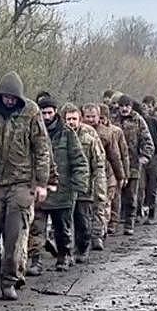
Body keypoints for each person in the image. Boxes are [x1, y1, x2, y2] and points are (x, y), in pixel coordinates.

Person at [0, 72, 51, 300]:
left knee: (15, 235)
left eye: (13, 97)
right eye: (5, 97)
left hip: (21, 181)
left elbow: (42, 148)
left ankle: (9, 280)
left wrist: (42, 182)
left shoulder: (31, 111)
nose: (9, 101)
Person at [27, 97, 89, 274]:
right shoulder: (33, 130)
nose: (46, 116)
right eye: (43, 112)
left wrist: (78, 184)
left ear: (55, 112)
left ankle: (63, 255)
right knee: (36, 227)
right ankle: (35, 261)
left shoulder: (68, 133)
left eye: (49, 112)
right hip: (39, 188)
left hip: (62, 189)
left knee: (62, 228)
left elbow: (79, 160)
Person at [61, 103, 106, 263]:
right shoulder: (59, 136)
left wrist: (97, 187)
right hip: (65, 187)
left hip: (85, 187)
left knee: (82, 221)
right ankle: (68, 253)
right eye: (68, 119)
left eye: (74, 119)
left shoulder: (89, 137)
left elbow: (98, 163)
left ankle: (83, 247)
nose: (71, 122)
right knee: (65, 222)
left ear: (80, 119)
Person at [82, 102, 124, 250]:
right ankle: (85, 235)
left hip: (103, 174)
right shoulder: (77, 131)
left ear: (99, 116)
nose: (90, 119)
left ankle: (98, 235)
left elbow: (115, 156)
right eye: (87, 116)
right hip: (82, 175)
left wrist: (121, 176)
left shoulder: (107, 133)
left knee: (101, 205)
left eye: (93, 116)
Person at [115, 95, 154, 235]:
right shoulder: (113, 119)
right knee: (114, 195)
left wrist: (144, 157)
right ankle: (113, 223)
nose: (124, 109)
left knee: (131, 196)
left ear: (131, 107)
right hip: (116, 164)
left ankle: (129, 222)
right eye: (122, 106)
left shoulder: (138, 120)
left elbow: (148, 141)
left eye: (127, 106)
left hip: (133, 163)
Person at [99, 104, 129, 234]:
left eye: (102, 118)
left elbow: (122, 154)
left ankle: (113, 222)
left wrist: (123, 174)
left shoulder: (115, 131)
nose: (100, 121)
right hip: (100, 171)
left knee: (114, 198)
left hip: (112, 170)